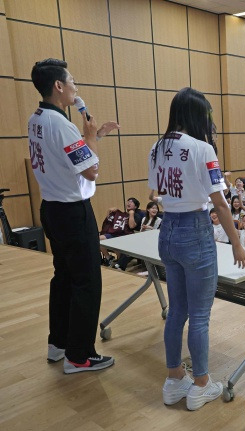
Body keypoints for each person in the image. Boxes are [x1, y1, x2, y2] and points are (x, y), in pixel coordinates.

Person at [149, 87, 245, 411]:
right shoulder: (203, 149)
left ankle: (174, 379)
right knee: (200, 316)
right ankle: (202, 385)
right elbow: (219, 202)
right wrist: (236, 242)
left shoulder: (157, 147)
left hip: (167, 229)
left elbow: (157, 193)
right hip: (195, 229)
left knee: (177, 310)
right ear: (196, 115)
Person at [29, 58, 119, 373]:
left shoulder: (36, 119)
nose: (75, 88)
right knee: (87, 282)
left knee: (64, 277)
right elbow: (90, 171)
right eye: (72, 82)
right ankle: (79, 356)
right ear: (58, 86)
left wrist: (96, 137)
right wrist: (90, 136)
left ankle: (58, 343)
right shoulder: (63, 125)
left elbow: (65, 157)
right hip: (72, 212)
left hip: (50, 209)